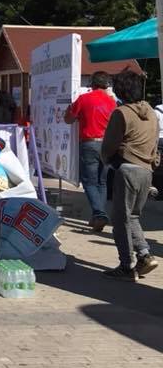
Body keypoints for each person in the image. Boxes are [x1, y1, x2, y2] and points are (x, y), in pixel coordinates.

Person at [100, 70, 160, 280]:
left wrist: (106, 159)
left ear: (120, 91)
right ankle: (144, 255)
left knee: (120, 220)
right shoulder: (151, 112)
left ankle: (126, 266)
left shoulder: (121, 113)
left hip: (126, 169)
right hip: (146, 170)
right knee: (132, 216)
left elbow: (109, 144)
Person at [64, 72, 117, 232]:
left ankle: (99, 213)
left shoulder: (83, 99)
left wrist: (68, 110)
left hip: (89, 143)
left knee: (89, 181)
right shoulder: (112, 102)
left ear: (92, 84)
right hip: (107, 144)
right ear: (106, 85)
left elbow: (69, 119)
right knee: (102, 182)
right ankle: (98, 215)